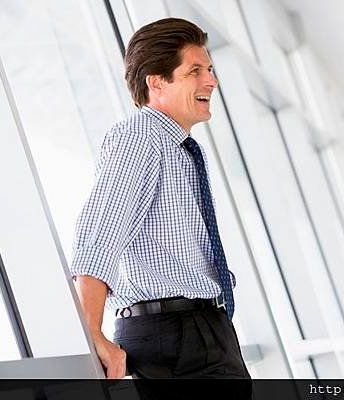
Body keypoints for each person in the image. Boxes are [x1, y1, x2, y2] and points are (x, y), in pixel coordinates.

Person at [69, 17, 250, 383]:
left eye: (210, 70)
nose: (211, 81)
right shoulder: (141, 136)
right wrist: (90, 333)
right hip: (176, 334)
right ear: (156, 81)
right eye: (194, 71)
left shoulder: (177, 148)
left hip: (197, 330)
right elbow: (100, 235)